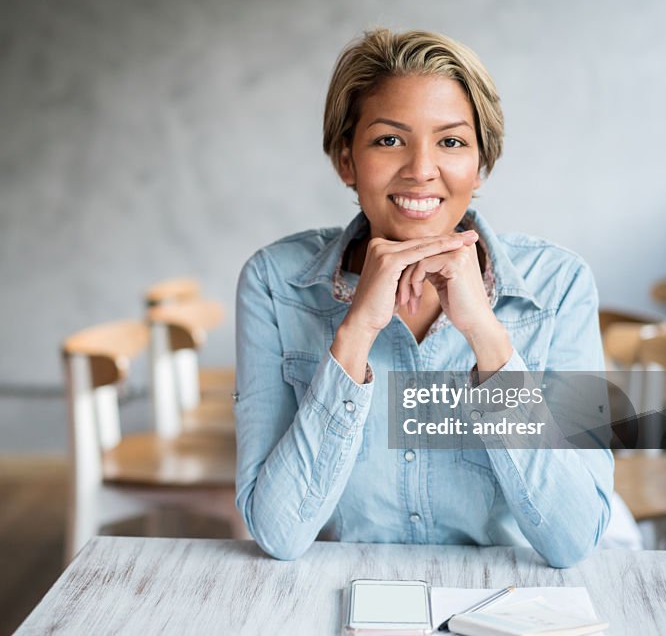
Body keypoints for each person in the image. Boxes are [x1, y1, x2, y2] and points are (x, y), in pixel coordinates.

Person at [233, 29, 616, 568]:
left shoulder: (560, 286)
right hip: (336, 600)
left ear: (480, 165)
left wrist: (487, 338)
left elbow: (573, 540)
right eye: (389, 140)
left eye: (452, 142)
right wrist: (355, 334)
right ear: (348, 160)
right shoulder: (275, 283)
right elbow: (277, 534)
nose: (420, 169)